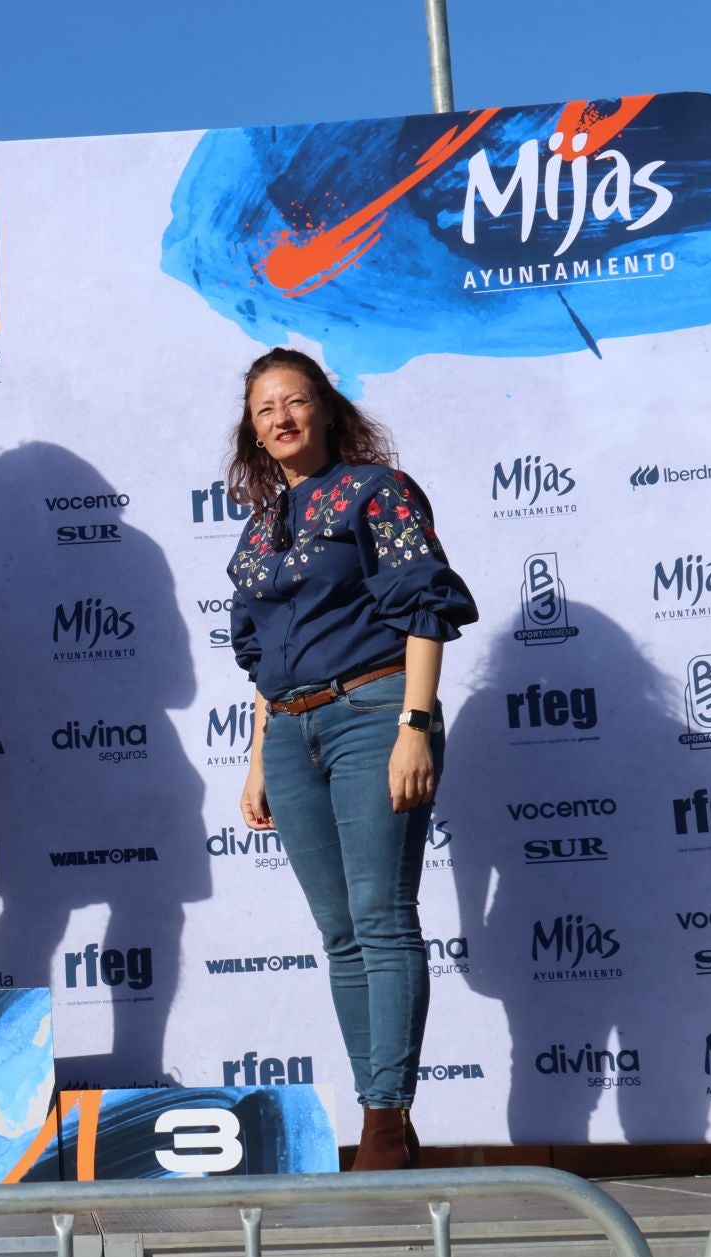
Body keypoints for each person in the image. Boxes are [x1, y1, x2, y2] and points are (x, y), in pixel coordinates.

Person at [223, 347, 477, 1171]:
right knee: (339, 934)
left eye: (296, 401)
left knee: (381, 915)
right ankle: (387, 1116)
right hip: (290, 734)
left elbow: (426, 609)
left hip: (374, 713)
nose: (282, 417)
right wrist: (259, 759)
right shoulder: (258, 534)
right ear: (254, 433)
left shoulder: (378, 492)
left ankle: (382, 1123)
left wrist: (415, 721)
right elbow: (261, 659)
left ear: (327, 410)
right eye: (266, 410)